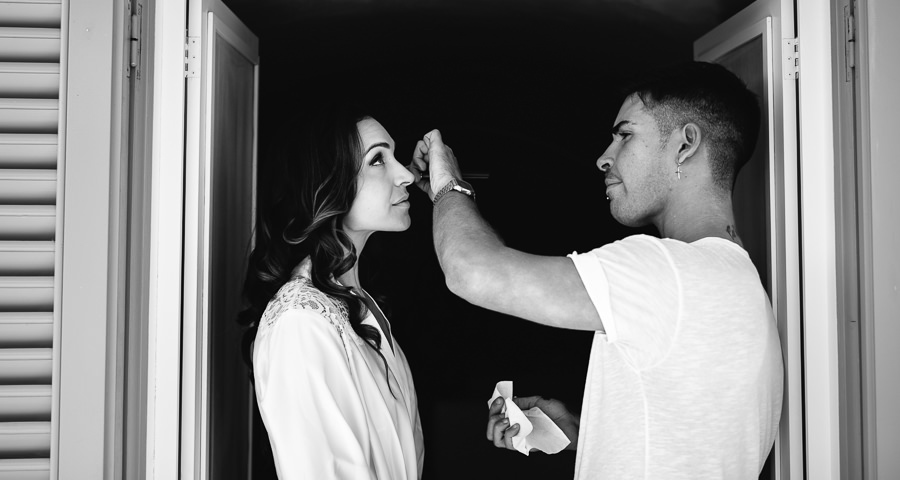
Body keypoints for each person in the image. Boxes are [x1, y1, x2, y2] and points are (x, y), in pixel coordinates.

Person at [410, 62, 784, 479]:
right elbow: (692, 440)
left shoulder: (667, 271)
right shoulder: (736, 283)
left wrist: (449, 184)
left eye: (624, 135)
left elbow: (472, 272)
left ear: (685, 145)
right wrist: (586, 431)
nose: (603, 159)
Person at [238, 106, 424, 480]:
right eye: (377, 160)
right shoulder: (300, 322)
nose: (405, 175)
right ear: (328, 182)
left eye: (396, 156)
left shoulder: (355, 304)